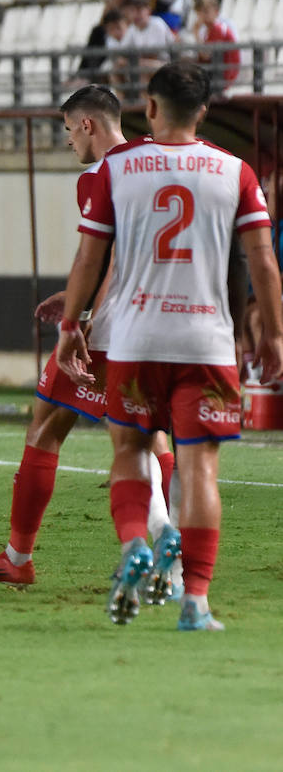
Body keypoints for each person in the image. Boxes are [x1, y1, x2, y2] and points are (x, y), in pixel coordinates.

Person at [55, 61, 283, 631]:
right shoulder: (236, 171)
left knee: (131, 451)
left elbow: (89, 257)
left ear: (149, 108)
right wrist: (275, 332)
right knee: (199, 467)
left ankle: (135, 542)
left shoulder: (119, 170)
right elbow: (261, 258)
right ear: (203, 110)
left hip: (133, 338)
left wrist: (70, 326)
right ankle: (196, 602)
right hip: (205, 339)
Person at [0, 85, 176, 587]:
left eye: (66, 131)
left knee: (46, 426)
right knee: (150, 431)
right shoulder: (157, 158)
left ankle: (19, 556)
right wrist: (74, 294)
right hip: (167, 318)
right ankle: (174, 541)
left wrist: (76, 318)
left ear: (87, 125)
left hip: (108, 328)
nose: (67, 143)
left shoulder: (101, 175)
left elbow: (99, 257)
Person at [191, 0, 240, 94]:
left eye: (206, 11)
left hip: (223, 78)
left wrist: (195, 33)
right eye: (199, 12)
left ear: (216, 11)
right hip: (214, 74)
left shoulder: (218, 28)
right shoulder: (207, 30)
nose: (202, 15)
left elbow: (205, 55)